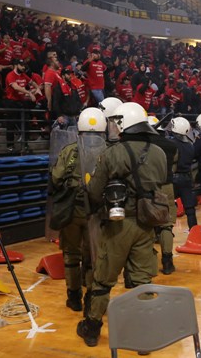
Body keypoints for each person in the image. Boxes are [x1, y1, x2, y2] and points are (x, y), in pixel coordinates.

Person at [79, 102, 166, 347]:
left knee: (103, 279)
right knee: (142, 280)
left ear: (125, 123)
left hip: (119, 224)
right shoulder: (158, 152)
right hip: (147, 223)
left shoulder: (112, 153)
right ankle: (145, 335)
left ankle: (92, 328)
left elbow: (95, 192)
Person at [51, 108, 107, 313]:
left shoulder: (68, 151)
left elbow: (56, 178)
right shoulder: (107, 151)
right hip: (98, 211)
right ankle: (92, 297)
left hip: (72, 211)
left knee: (71, 256)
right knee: (94, 256)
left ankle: (73, 297)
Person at [147, 115, 178, 275]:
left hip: (149, 188)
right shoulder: (171, 145)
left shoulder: (145, 145)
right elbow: (174, 164)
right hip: (167, 186)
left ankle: (150, 264)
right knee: (166, 225)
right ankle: (168, 261)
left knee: (149, 224)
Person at [168, 117, 197, 230]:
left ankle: (166, 232)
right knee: (190, 208)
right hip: (186, 178)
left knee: (168, 207)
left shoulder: (171, 143)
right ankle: (194, 231)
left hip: (173, 179)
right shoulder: (190, 146)